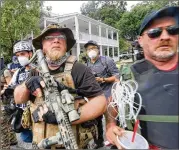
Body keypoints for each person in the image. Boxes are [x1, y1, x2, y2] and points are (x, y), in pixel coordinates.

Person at [13, 24, 107, 149]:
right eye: (49, 37)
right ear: (42, 45)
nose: (56, 40)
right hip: (40, 143)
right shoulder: (35, 71)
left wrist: (66, 118)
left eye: (61, 37)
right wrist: (27, 84)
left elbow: (100, 102)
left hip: (72, 142)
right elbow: (19, 99)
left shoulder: (78, 69)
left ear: (66, 44)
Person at [105, 6, 179, 149]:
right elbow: (112, 108)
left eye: (173, 30)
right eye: (154, 33)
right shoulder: (129, 76)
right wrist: (110, 127)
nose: (165, 36)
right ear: (140, 40)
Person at [84, 40, 120, 148]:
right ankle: (98, 142)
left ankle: (116, 141)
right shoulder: (87, 64)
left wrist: (103, 79)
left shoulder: (106, 60)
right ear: (86, 51)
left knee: (112, 119)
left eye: (93, 48)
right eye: (89, 49)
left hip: (109, 95)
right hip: (95, 97)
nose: (91, 51)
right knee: (96, 120)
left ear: (98, 49)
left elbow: (117, 77)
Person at [8, 40, 34, 143]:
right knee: (26, 138)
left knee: (41, 139)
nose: (20, 57)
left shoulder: (39, 69)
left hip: (37, 111)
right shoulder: (18, 72)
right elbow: (11, 86)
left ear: (30, 53)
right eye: (18, 55)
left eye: (22, 54)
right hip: (23, 112)